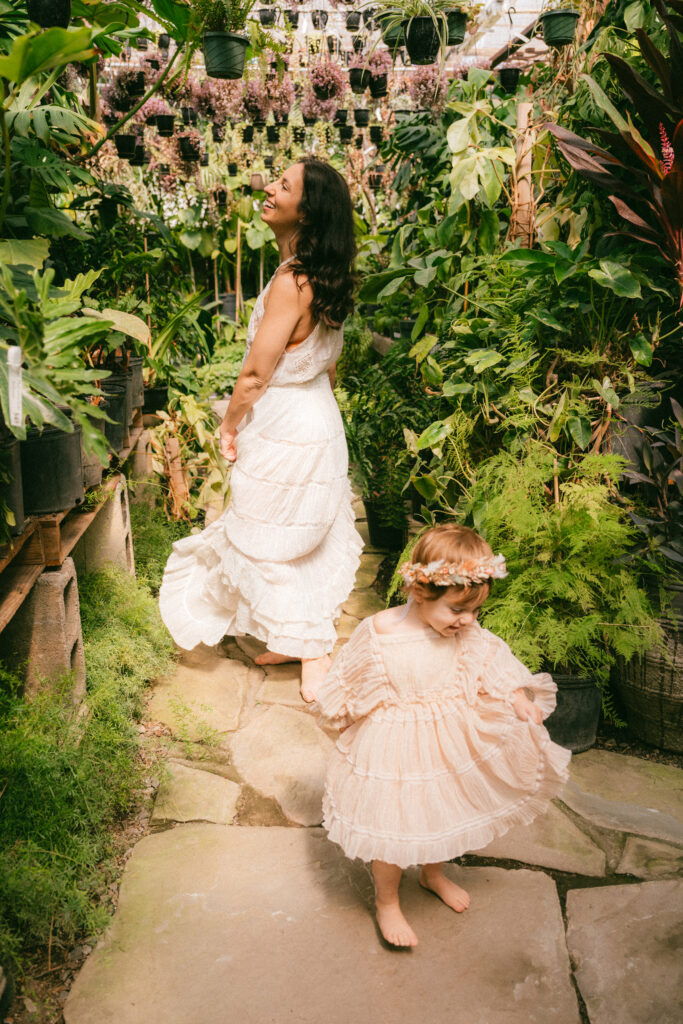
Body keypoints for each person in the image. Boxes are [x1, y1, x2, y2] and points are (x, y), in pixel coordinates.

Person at [159, 158, 363, 702]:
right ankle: (292, 633)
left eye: (284, 186)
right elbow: (329, 363)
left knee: (273, 537)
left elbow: (255, 372)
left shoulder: (293, 281)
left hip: (290, 423)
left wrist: (229, 424)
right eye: (275, 181)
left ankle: (315, 645)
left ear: (308, 211)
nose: (269, 189)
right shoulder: (319, 276)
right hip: (315, 417)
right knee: (292, 533)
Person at [313, 523, 571, 948]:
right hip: (392, 745)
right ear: (419, 592)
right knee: (391, 826)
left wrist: (517, 697)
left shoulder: (467, 632)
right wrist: (338, 713)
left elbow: (492, 663)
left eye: (475, 611)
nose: (467, 620)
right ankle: (388, 901)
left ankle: (433, 873)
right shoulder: (381, 632)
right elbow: (350, 678)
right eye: (457, 610)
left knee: (440, 810)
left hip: (446, 738)